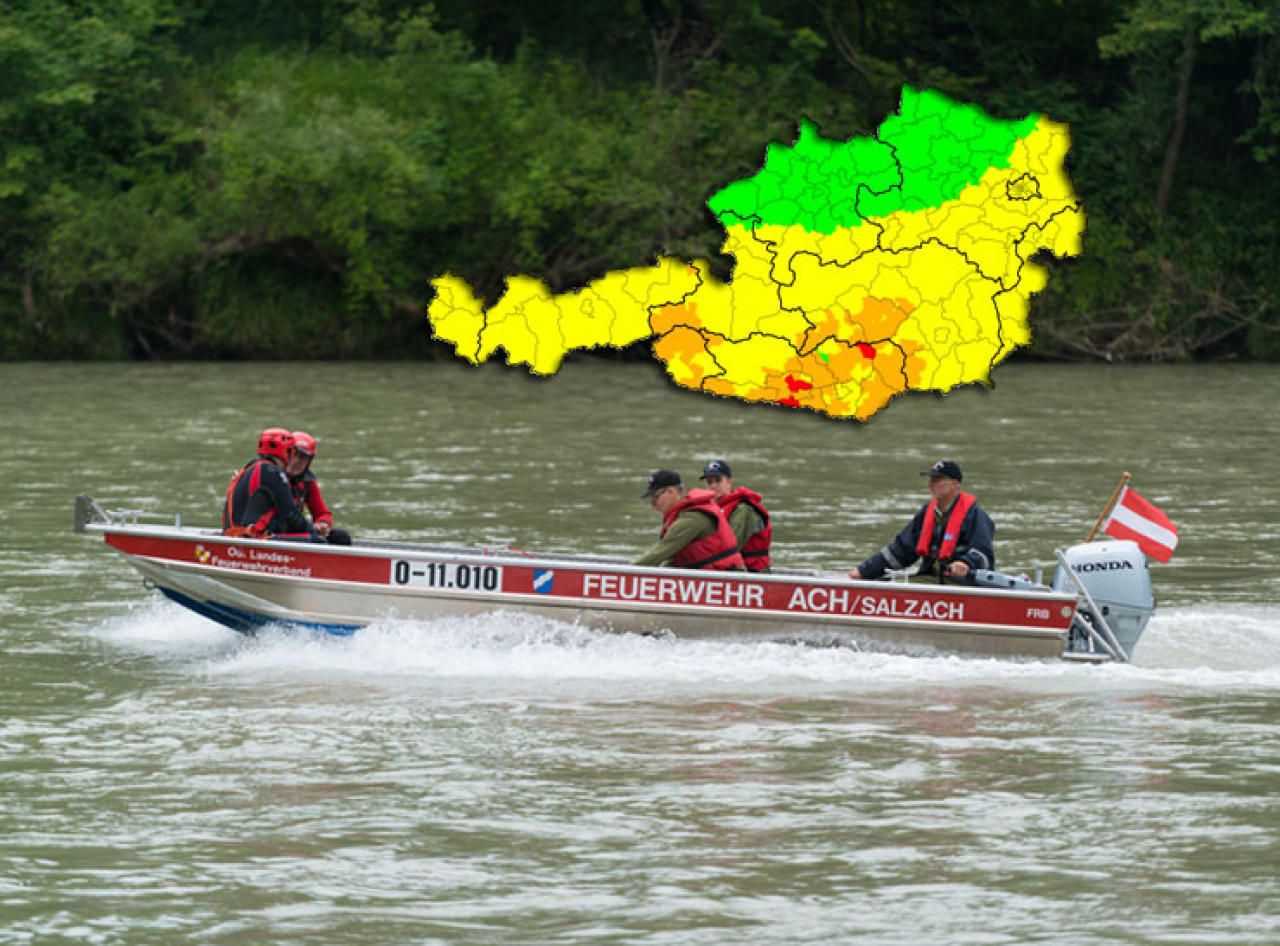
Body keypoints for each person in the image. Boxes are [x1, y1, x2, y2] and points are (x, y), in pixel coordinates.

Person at [847, 459, 995, 584]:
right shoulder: (927, 513)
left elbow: (983, 553)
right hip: (930, 579)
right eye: (931, 480)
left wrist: (965, 563)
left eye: (938, 480)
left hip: (962, 584)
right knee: (891, 584)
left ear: (955, 484)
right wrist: (863, 571)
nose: (931, 484)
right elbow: (900, 551)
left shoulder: (975, 514)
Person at [222, 427, 323, 541]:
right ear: (285, 451)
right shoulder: (272, 472)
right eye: (292, 452)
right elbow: (291, 516)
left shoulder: (254, 467)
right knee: (318, 541)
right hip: (250, 538)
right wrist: (315, 534)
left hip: (239, 535)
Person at [633, 469, 746, 570]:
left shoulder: (691, 519)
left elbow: (659, 553)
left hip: (727, 578)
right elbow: (671, 559)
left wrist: (626, 570)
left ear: (671, 492)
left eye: (656, 497)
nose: (653, 504)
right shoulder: (682, 515)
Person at [700, 459, 772, 572]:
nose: (713, 486)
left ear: (729, 482)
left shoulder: (743, 510)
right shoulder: (713, 509)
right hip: (731, 569)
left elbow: (730, 547)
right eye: (709, 482)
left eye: (718, 480)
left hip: (753, 573)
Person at [286, 431, 352, 545]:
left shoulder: (307, 483)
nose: (297, 461)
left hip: (297, 531)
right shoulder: (274, 478)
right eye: (294, 454)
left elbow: (323, 513)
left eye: (302, 457)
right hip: (276, 533)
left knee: (341, 537)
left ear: (308, 462)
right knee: (316, 540)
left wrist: (323, 524)